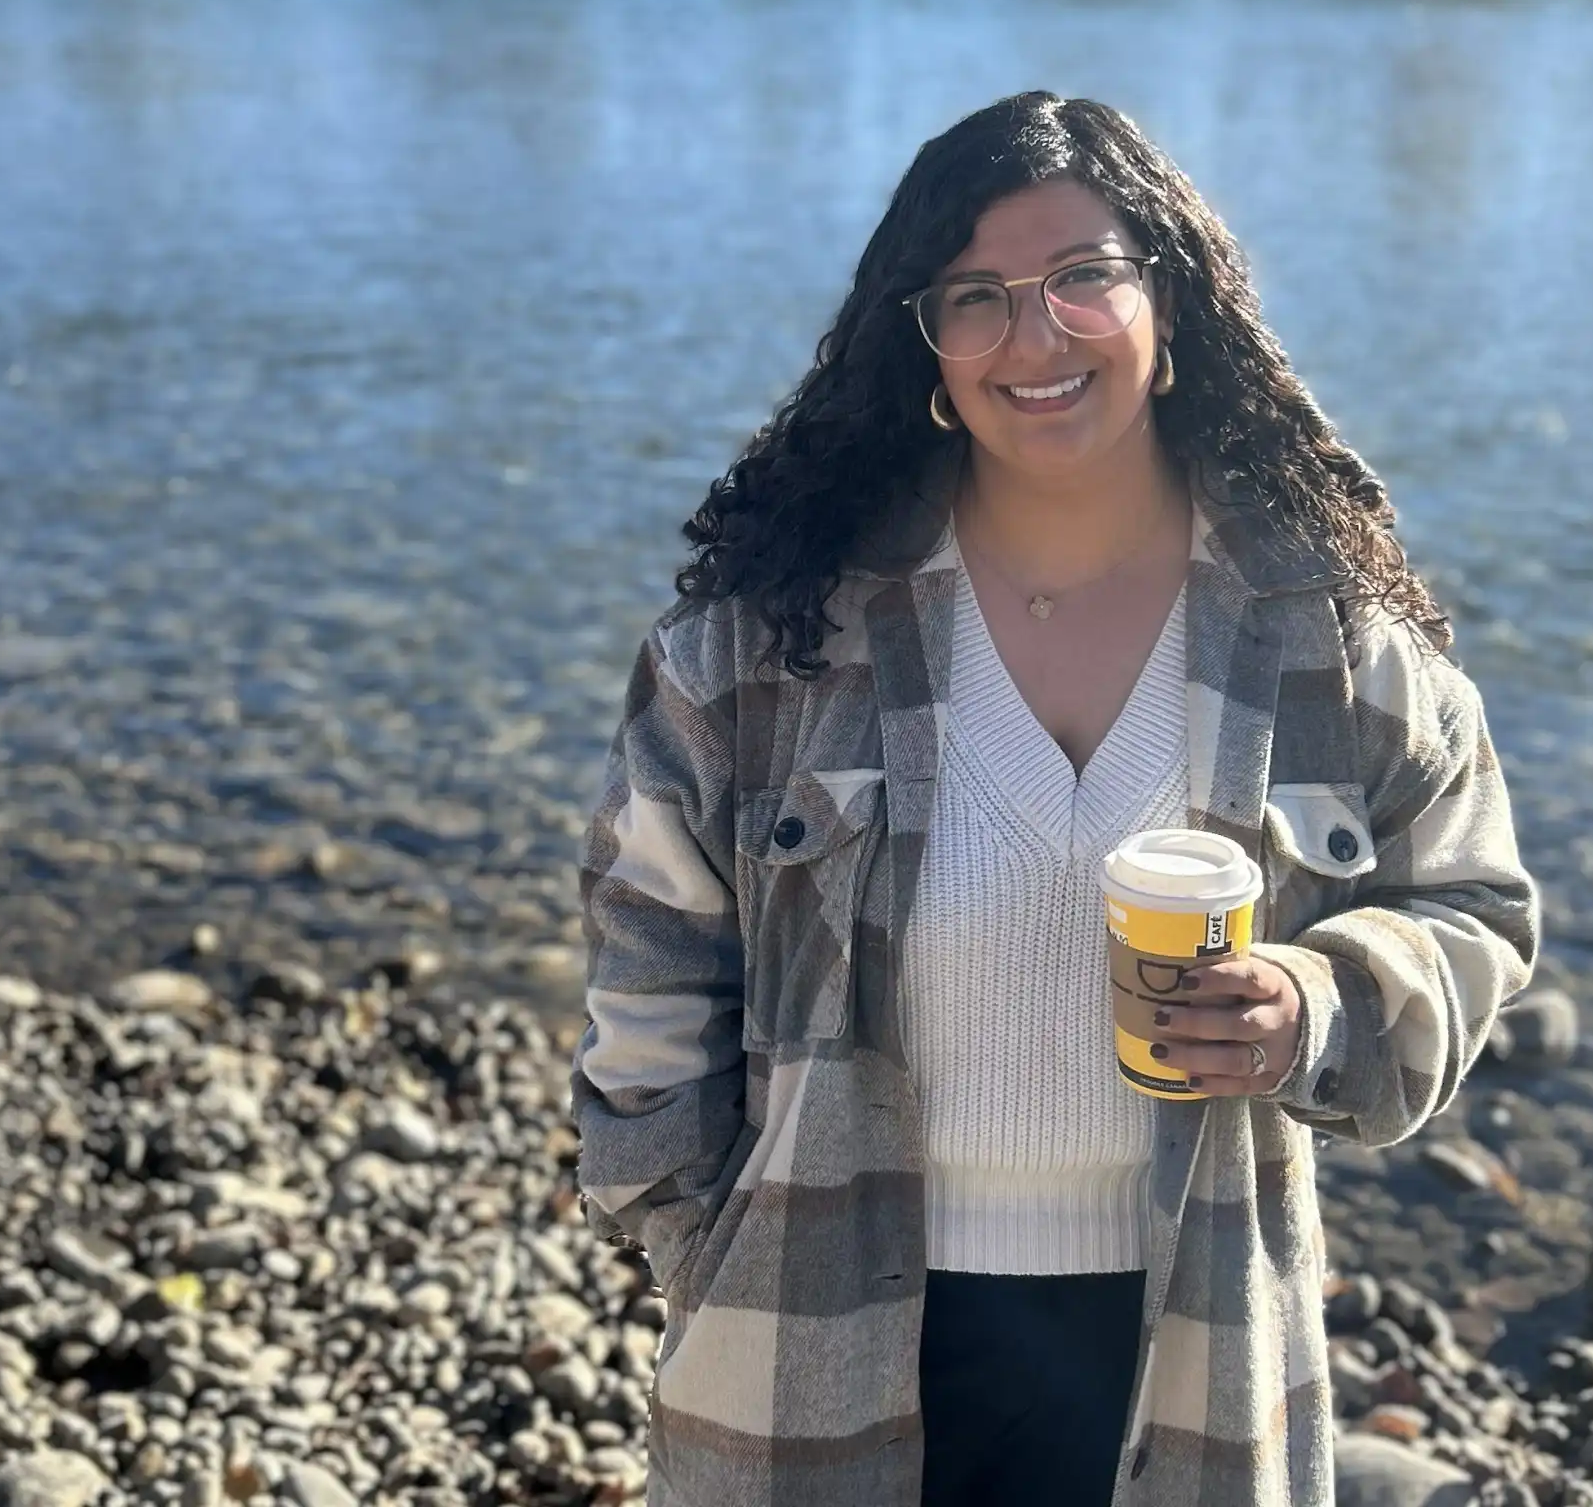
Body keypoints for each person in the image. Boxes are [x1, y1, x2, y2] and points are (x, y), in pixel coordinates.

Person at [568, 91, 1539, 1507]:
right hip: (805, 1323)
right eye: (977, 298)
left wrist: (1317, 1002)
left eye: (1085, 275)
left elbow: (1472, 902)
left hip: (1192, 1327)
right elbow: (648, 956)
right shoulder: (766, 645)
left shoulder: (1323, 637)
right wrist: (693, 1242)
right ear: (924, 344)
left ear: (1171, 301)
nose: (1035, 338)